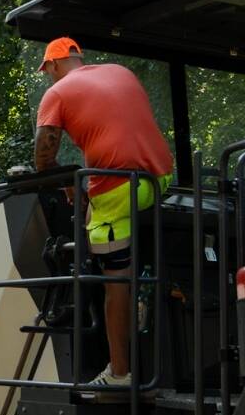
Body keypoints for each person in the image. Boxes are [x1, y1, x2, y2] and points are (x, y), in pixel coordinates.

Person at [33, 37, 174, 387]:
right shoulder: (120, 72)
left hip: (117, 189)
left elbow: (42, 160)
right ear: (78, 56)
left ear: (53, 65)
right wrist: (76, 185)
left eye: (47, 70)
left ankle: (120, 373)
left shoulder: (58, 93)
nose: (49, 77)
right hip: (159, 178)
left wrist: (73, 190)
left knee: (115, 279)